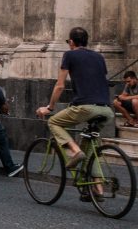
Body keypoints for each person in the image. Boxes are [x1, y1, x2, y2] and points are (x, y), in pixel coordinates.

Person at [36, 27, 116, 167]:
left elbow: (60, 85)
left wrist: (50, 107)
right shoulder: (99, 57)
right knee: (90, 149)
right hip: (107, 110)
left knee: (54, 122)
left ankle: (75, 151)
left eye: (68, 41)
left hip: (85, 107)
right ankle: (98, 187)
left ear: (71, 42)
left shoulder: (70, 55)